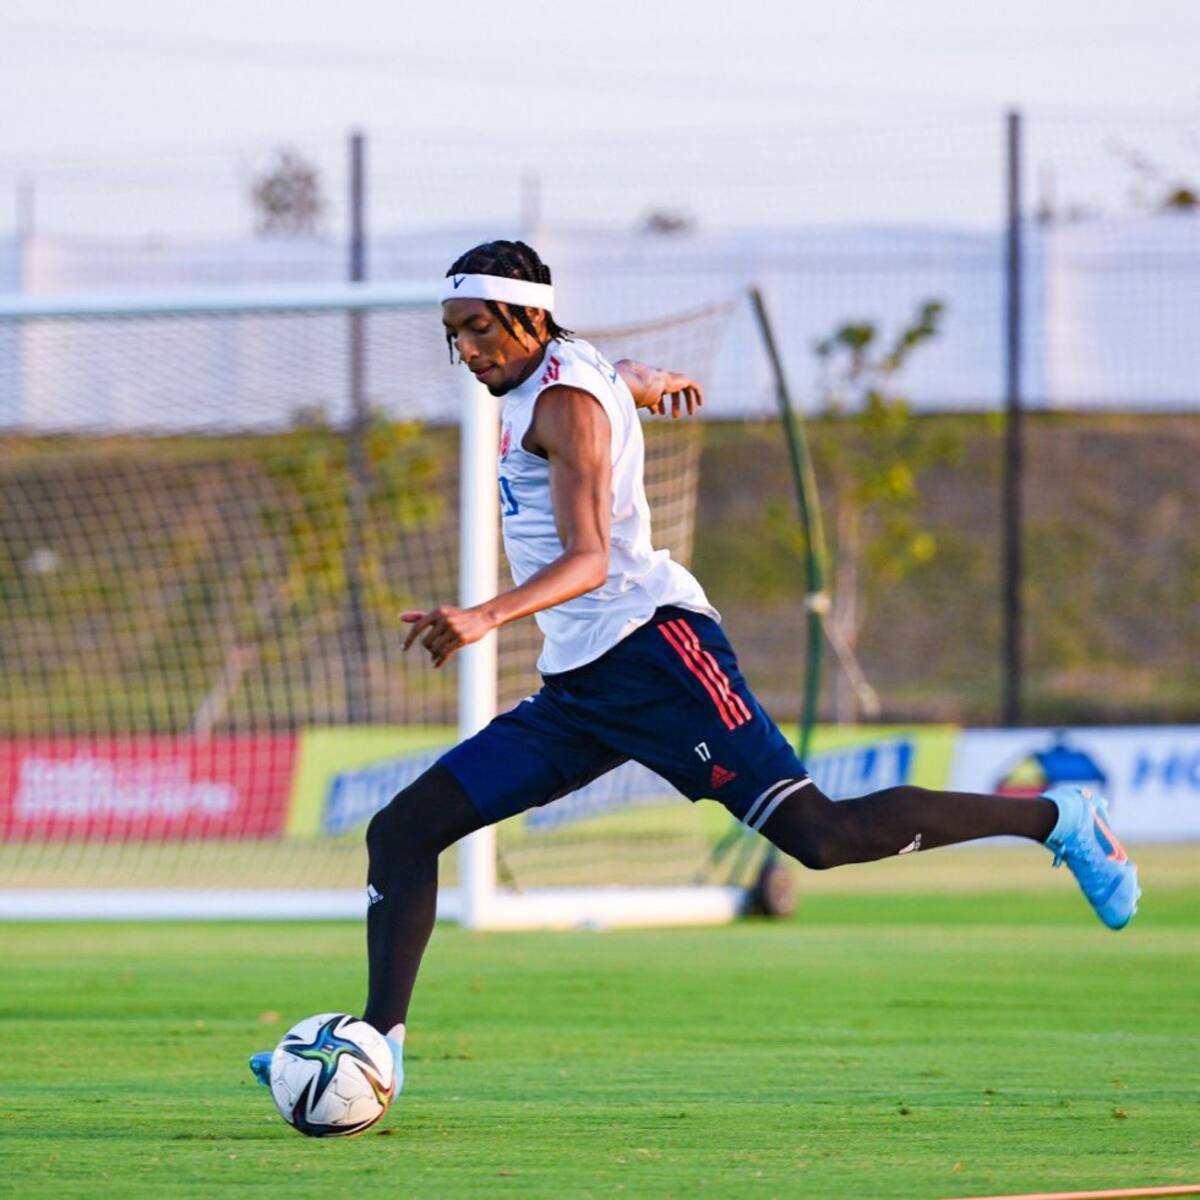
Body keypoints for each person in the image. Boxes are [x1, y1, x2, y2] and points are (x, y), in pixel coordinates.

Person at [252, 239, 1139, 1094]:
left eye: (480, 327)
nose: (467, 349)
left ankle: (1058, 818)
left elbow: (590, 559)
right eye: (454, 333)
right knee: (403, 830)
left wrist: (484, 614)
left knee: (822, 838)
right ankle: (379, 1050)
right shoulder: (561, 374)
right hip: (582, 688)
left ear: (531, 319)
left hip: (659, 658)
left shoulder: (564, 407)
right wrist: (644, 383)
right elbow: (613, 376)